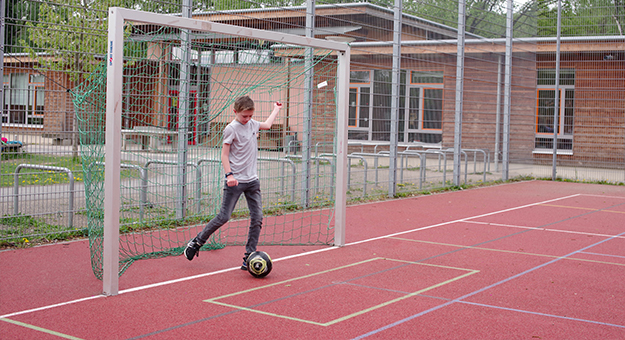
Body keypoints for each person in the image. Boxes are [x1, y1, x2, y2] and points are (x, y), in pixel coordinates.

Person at [184, 95, 282, 270]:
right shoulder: (231, 129)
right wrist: (229, 175)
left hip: (252, 181)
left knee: (257, 218)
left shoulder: (252, 124)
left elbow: (266, 125)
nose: (248, 119)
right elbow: (224, 154)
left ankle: (249, 256)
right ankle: (197, 242)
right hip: (235, 181)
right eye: (244, 116)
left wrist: (276, 109)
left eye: (250, 116)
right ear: (235, 112)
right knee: (224, 217)